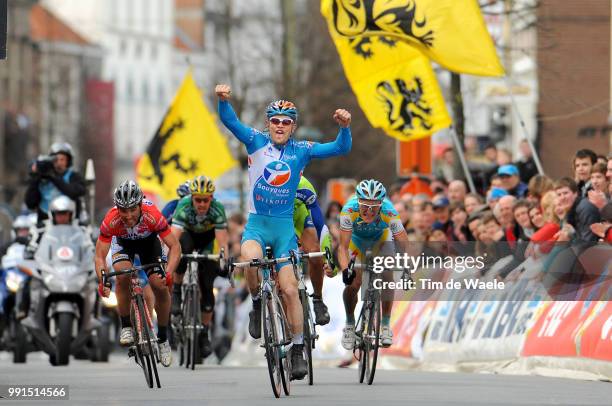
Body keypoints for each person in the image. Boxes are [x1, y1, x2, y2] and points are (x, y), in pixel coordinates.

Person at [216, 84, 351, 380]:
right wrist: (224, 100)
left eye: (286, 121)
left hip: (284, 230)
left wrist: (344, 128)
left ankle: (298, 348)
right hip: (257, 225)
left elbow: (340, 148)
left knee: (290, 289)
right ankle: (255, 305)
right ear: (268, 124)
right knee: (250, 260)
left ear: (293, 127)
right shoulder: (254, 142)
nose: (279, 125)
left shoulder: (301, 151)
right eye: (275, 120)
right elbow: (230, 122)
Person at [94, 180, 181, 367]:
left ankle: (164, 338)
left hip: (149, 244)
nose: (128, 215)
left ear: (140, 205)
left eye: (132, 209)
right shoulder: (111, 220)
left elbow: (175, 246)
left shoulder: (153, 216)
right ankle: (126, 326)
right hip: (123, 245)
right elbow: (100, 255)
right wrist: (103, 279)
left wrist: (170, 272)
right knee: (123, 275)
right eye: (123, 210)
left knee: (159, 285)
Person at [337, 179, 408, 350]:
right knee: (354, 283)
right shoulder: (348, 210)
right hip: (357, 242)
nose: (369, 210)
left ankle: (385, 324)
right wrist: (346, 269)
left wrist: (406, 266)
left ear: (381, 203)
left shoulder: (390, 211)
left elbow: (403, 242)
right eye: (365, 206)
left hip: (380, 241)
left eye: (374, 206)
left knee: (387, 274)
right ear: (358, 202)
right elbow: (342, 247)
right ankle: (349, 324)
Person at [170, 175, 229, 359]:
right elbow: (173, 237)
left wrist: (223, 259)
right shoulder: (184, 205)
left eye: (206, 200)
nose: (202, 204)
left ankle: (204, 333)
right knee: (181, 251)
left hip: (207, 240)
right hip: (188, 235)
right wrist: (170, 257)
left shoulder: (218, 208)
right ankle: (178, 291)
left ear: (211, 198)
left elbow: (222, 241)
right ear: (192, 198)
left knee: (207, 285)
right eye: (198, 200)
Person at [293, 176, 330, 325]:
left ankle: (318, 299)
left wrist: (328, 257)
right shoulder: (269, 183)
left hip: (299, 216)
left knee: (315, 252)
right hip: (279, 220)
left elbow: (321, 226)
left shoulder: (304, 185)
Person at [25, 142, 86, 225]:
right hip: (45, 226)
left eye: (62, 160)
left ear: (68, 161)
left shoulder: (73, 176)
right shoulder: (42, 179)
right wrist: (36, 177)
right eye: (56, 160)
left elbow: (74, 192)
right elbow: (30, 203)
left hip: (71, 225)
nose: (59, 163)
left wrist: (53, 178)